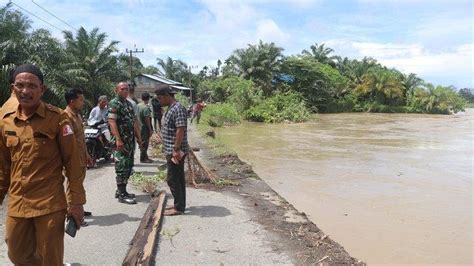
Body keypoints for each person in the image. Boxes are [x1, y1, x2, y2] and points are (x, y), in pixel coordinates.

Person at [0, 64, 85, 265]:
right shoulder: (5, 121)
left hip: (50, 203)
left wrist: (76, 202)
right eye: (20, 86)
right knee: (17, 253)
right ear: (13, 88)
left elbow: (73, 162)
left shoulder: (57, 118)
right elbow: (3, 166)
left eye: (32, 86)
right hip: (18, 201)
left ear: (42, 89)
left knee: (51, 258)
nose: (25, 91)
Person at [155, 86, 189, 216]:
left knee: (173, 179)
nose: (159, 101)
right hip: (171, 149)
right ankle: (179, 205)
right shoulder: (171, 108)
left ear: (166, 96)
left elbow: (180, 129)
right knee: (178, 178)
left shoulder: (178, 108)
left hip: (175, 150)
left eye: (159, 98)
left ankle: (179, 207)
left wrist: (176, 149)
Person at [108, 82, 143, 204]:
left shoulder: (128, 104)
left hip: (130, 141)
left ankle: (122, 190)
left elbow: (134, 122)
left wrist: (139, 138)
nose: (125, 91)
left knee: (129, 165)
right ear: (116, 90)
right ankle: (122, 194)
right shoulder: (114, 103)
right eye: (122, 89)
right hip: (120, 142)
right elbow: (112, 122)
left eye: (126, 89)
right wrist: (118, 139)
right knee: (121, 166)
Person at [64, 88, 94, 222]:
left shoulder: (77, 115)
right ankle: (72, 214)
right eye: (80, 99)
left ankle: (78, 206)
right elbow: (68, 142)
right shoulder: (66, 117)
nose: (83, 102)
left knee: (79, 185)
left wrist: (87, 154)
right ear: (72, 101)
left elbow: (81, 139)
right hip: (73, 160)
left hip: (81, 157)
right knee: (72, 186)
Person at [137, 92, 153, 163]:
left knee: (141, 142)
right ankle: (143, 158)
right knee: (145, 143)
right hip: (144, 128)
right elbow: (147, 120)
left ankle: (145, 157)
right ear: (148, 98)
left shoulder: (138, 105)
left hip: (138, 127)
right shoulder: (146, 108)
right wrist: (150, 130)